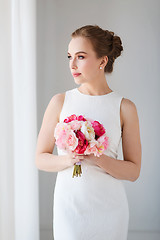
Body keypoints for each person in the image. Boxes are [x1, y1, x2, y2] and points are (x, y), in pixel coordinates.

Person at [35, 24, 142, 240]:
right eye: (69, 56)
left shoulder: (125, 107)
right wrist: (70, 159)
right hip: (70, 208)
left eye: (80, 56)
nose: (72, 64)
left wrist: (98, 158)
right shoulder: (59, 102)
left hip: (111, 210)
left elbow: (133, 172)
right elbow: (40, 158)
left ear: (102, 61)